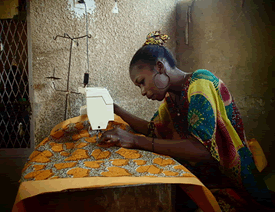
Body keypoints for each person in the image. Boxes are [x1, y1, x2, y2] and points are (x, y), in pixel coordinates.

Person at [98, 31, 275, 211]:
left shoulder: (200, 83)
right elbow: (154, 130)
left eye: (142, 82)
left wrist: (136, 140)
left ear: (159, 67)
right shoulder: (172, 99)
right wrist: (116, 110)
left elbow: (202, 150)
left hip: (233, 179)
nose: (143, 91)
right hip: (206, 177)